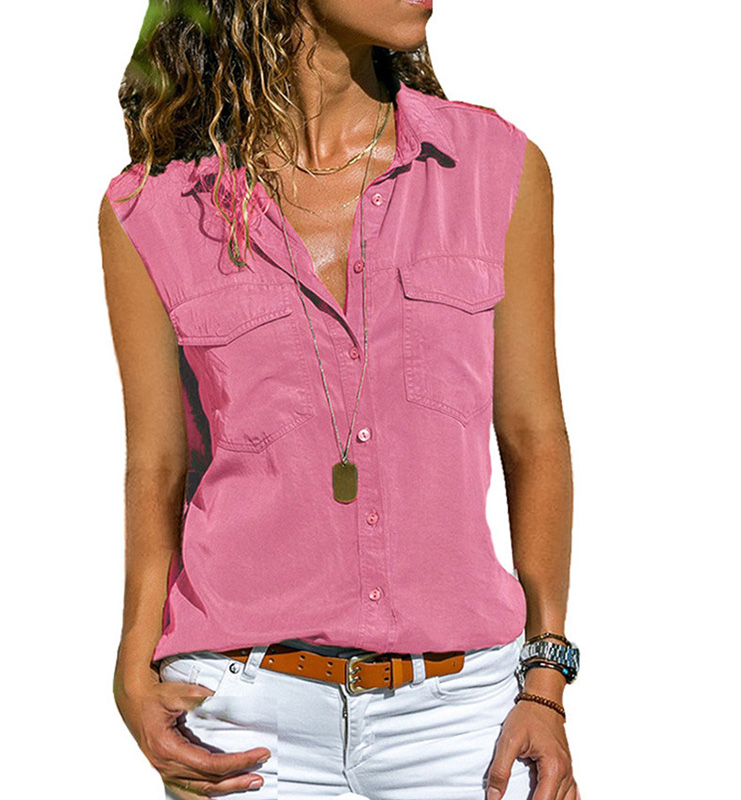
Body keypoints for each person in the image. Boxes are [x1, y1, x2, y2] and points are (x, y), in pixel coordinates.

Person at [98, 1, 580, 799]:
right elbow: (157, 464)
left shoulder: (493, 167)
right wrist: (132, 666)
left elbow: (535, 435)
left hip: (462, 720)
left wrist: (546, 679)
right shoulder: (153, 208)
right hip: (242, 721)